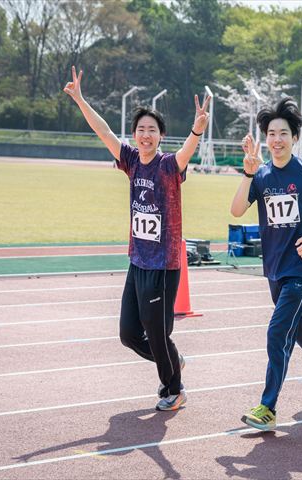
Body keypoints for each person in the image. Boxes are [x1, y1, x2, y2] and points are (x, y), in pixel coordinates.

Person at [63, 66, 211, 411]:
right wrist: (81, 101)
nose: (146, 135)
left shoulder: (167, 165)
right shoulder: (131, 160)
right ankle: (172, 361)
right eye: (141, 130)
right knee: (129, 334)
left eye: (152, 130)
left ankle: (174, 388)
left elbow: (186, 153)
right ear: (135, 134)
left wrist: (196, 130)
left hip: (163, 264)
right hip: (138, 260)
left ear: (160, 136)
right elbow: (103, 131)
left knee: (158, 333)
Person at [230, 97, 302, 432]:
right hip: (274, 268)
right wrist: (248, 172)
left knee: (278, 331)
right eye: (271, 133)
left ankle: (267, 407)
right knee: (300, 328)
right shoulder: (261, 175)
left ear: (294, 138)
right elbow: (236, 210)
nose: (277, 139)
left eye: (283, 133)